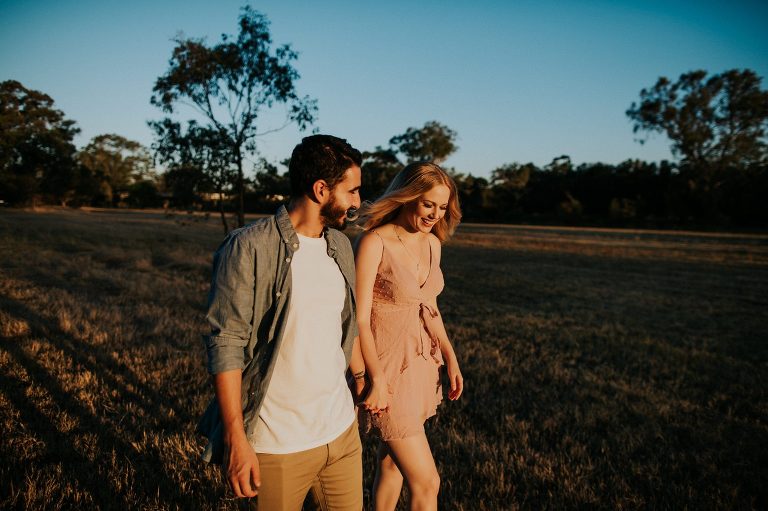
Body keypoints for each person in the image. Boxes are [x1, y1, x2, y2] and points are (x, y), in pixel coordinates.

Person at [197, 134, 365, 510]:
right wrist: (236, 439)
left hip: (341, 436)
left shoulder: (339, 246)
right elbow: (226, 343)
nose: (357, 202)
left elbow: (343, 327)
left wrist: (363, 379)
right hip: (277, 445)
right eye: (352, 191)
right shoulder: (249, 246)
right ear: (321, 189)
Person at [354, 161, 464, 510]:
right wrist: (374, 377)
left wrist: (450, 355)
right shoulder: (375, 242)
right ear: (408, 197)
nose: (436, 214)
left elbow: (428, 305)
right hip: (387, 368)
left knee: (391, 463)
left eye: (443, 206)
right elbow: (357, 319)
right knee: (427, 483)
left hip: (421, 364)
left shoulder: (433, 244)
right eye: (428, 203)